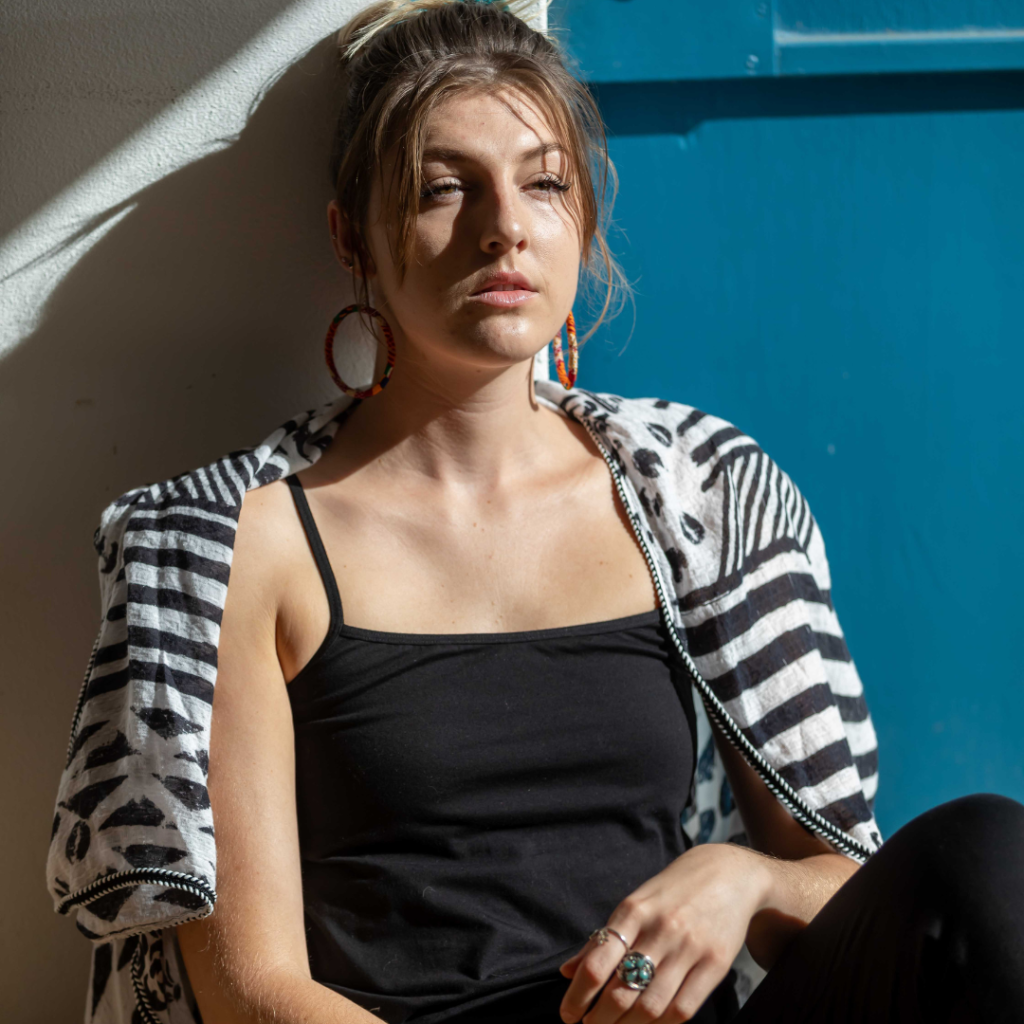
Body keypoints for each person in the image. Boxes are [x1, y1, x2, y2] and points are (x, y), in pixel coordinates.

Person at [46, 2, 1024, 1023]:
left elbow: (838, 878)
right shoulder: (238, 546)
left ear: (581, 218)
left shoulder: (699, 496)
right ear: (352, 239)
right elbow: (251, 991)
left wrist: (746, 882)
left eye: (542, 181)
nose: (504, 223)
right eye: (442, 187)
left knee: (983, 855)